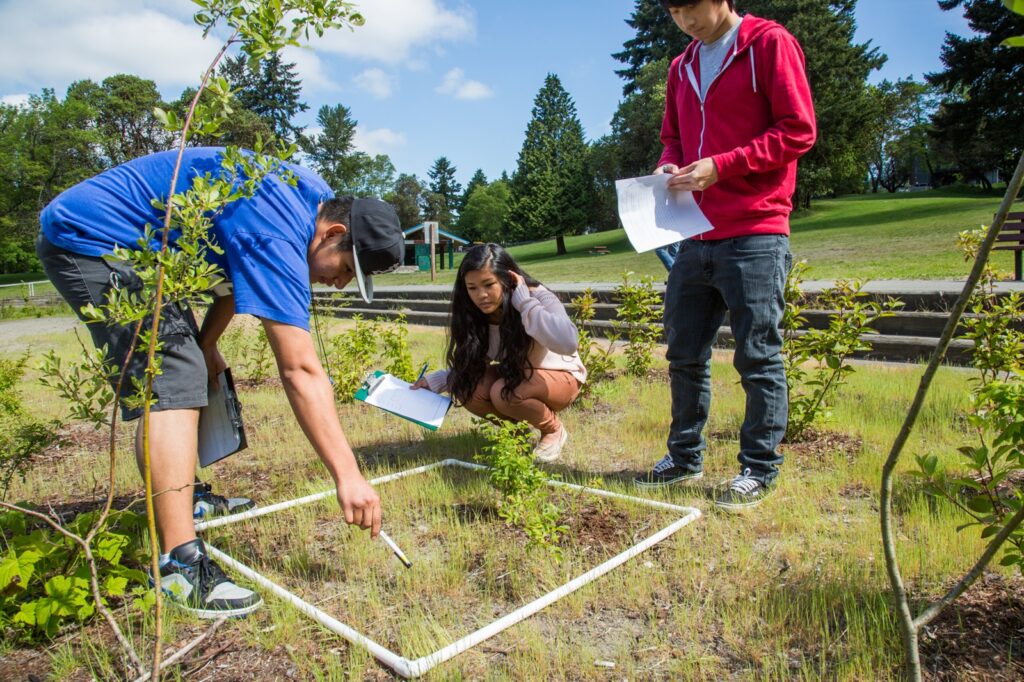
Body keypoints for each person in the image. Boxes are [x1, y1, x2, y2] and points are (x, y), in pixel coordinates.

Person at [37, 146, 404, 618]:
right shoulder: (275, 229)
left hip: (141, 252)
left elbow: (238, 268)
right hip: (92, 240)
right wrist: (348, 475)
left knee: (189, 360)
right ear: (333, 233)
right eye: (346, 271)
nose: (338, 285)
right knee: (171, 375)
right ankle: (177, 563)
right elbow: (299, 369)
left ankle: (184, 500)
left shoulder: (311, 199)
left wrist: (208, 341)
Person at [634, 0, 816, 510]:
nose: (685, 21)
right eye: (674, 12)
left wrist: (723, 166)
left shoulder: (768, 44)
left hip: (756, 228)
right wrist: (669, 165)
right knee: (683, 352)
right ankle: (683, 456)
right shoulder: (681, 66)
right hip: (696, 233)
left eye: (692, 7)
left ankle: (758, 468)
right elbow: (673, 138)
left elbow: (798, 130)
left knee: (757, 355)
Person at [411, 243, 585, 463]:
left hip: (561, 377)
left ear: (508, 279)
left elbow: (568, 342)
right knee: (466, 387)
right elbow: (474, 362)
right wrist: (438, 380)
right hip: (519, 375)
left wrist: (524, 304)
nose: (480, 295)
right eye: (472, 288)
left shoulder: (538, 296)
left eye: (488, 284)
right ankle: (515, 434)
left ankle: (553, 430)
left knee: (504, 392)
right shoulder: (476, 313)